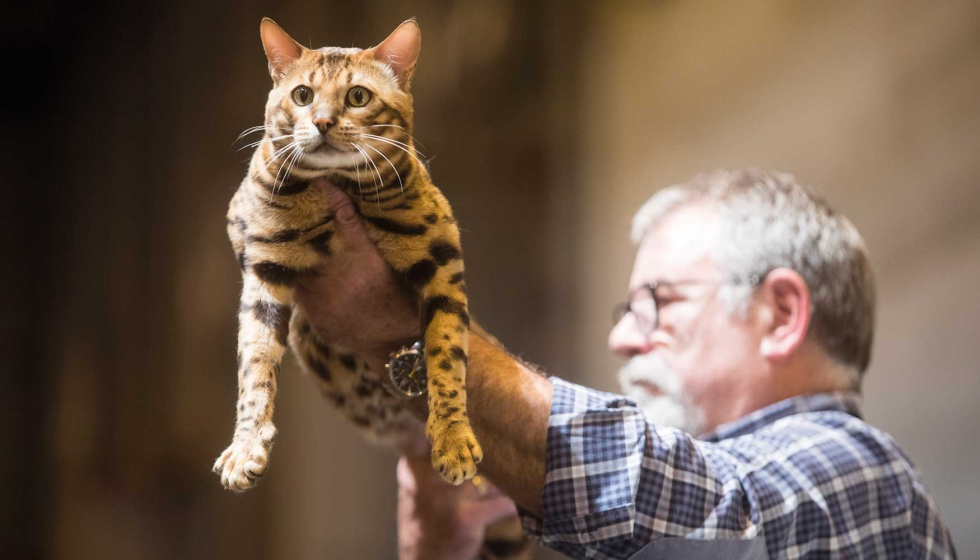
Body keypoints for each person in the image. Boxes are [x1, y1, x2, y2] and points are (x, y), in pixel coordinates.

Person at [295, 169, 957, 559]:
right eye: (627, 310)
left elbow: (695, 500)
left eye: (657, 303)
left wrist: (405, 333)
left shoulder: (865, 474)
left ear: (781, 315)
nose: (623, 341)